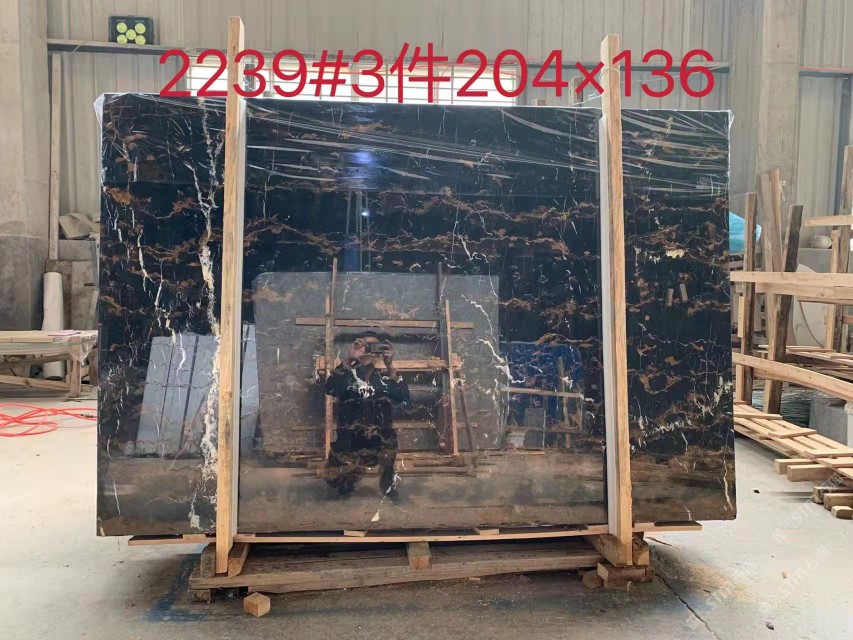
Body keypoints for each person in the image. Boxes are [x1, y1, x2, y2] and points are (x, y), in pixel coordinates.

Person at [324, 332, 409, 497]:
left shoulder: (383, 377)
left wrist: (390, 366)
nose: (368, 350)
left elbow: (402, 397)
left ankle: (387, 481)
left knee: (388, 444)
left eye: (373, 346)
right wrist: (348, 360)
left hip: (378, 439)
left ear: (379, 352)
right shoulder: (347, 375)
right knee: (336, 483)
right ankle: (348, 476)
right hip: (351, 439)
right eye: (364, 345)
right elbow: (330, 388)